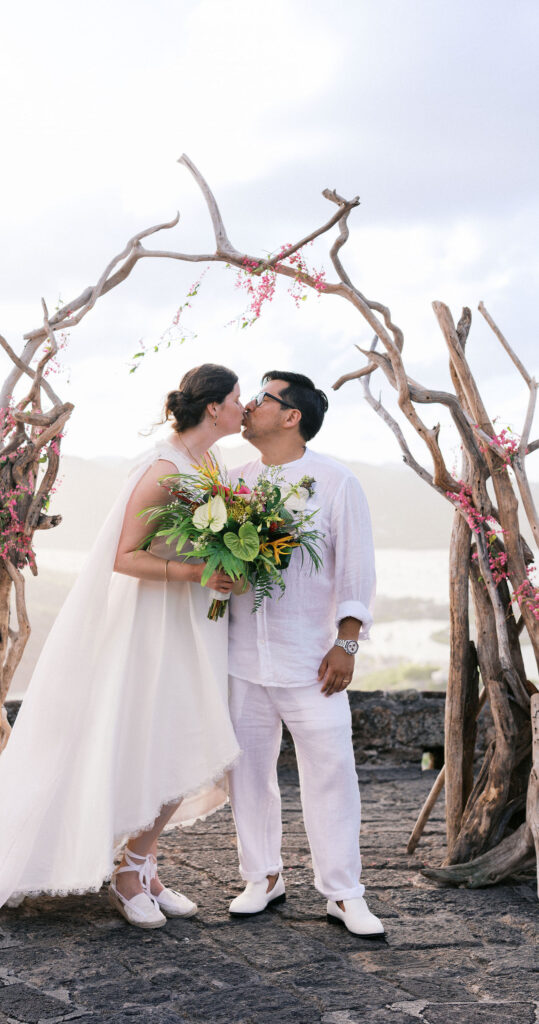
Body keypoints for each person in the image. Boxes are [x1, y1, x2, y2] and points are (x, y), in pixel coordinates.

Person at [0, 363, 244, 929]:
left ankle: (145, 865)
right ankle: (128, 871)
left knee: (181, 732)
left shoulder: (210, 461)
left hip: (196, 621)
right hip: (156, 623)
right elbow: (124, 556)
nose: (245, 407)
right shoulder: (163, 468)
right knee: (154, 733)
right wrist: (197, 572)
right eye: (239, 398)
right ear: (214, 407)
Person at [226, 370, 385, 939]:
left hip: (312, 661)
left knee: (332, 772)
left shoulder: (336, 481)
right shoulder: (234, 480)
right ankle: (262, 876)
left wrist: (346, 644)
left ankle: (343, 894)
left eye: (262, 399)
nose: (247, 407)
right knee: (247, 771)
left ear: (291, 416)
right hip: (240, 655)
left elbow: (356, 571)